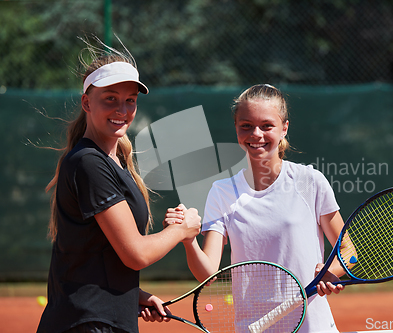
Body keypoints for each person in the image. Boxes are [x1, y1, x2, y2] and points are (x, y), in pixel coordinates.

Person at [37, 37, 201, 333]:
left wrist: (131, 297)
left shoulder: (111, 163)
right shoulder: (89, 162)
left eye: (130, 100)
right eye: (110, 98)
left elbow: (93, 257)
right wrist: (181, 230)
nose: (122, 109)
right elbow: (135, 253)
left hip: (99, 319)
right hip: (88, 324)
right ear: (87, 102)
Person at [167, 84, 347, 332]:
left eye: (266, 125)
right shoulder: (222, 191)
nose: (256, 134)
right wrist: (188, 240)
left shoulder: (308, 181)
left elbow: (348, 249)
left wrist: (330, 271)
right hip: (254, 327)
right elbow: (206, 274)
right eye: (246, 126)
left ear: (284, 128)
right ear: (237, 129)